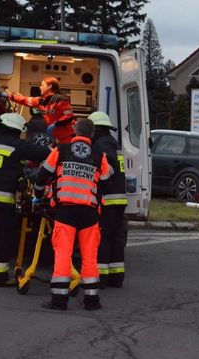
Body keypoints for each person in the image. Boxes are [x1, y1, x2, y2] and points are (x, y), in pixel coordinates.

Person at [34, 119, 113, 311]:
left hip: (65, 211)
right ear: (92, 135)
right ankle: (92, 300)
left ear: (74, 131)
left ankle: (59, 300)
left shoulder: (60, 150)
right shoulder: (98, 155)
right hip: (89, 213)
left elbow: (42, 175)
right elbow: (106, 182)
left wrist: (38, 194)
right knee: (90, 256)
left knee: (63, 254)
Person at [0, 113, 50, 286]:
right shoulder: (15, 144)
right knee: (2, 238)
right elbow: (42, 153)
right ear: (16, 130)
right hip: (2, 201)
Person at [88, 111, 128, 288]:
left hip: (108, 199)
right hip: (119, 198)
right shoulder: (113, 142)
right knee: (117, 238)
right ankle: (116, 276)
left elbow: (107, 168)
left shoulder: (101, 144)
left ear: (96, 129)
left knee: (103, 237)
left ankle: (102, 276)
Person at [2, 77, 76, 144]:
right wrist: (10, 96)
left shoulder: (60, 99)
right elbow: (25, 100)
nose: (40, 87)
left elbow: (69, 115)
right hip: (58, 137)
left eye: (42, 85)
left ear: (50, 86)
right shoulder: (41, 101)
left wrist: (55, 124)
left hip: (70, 136)